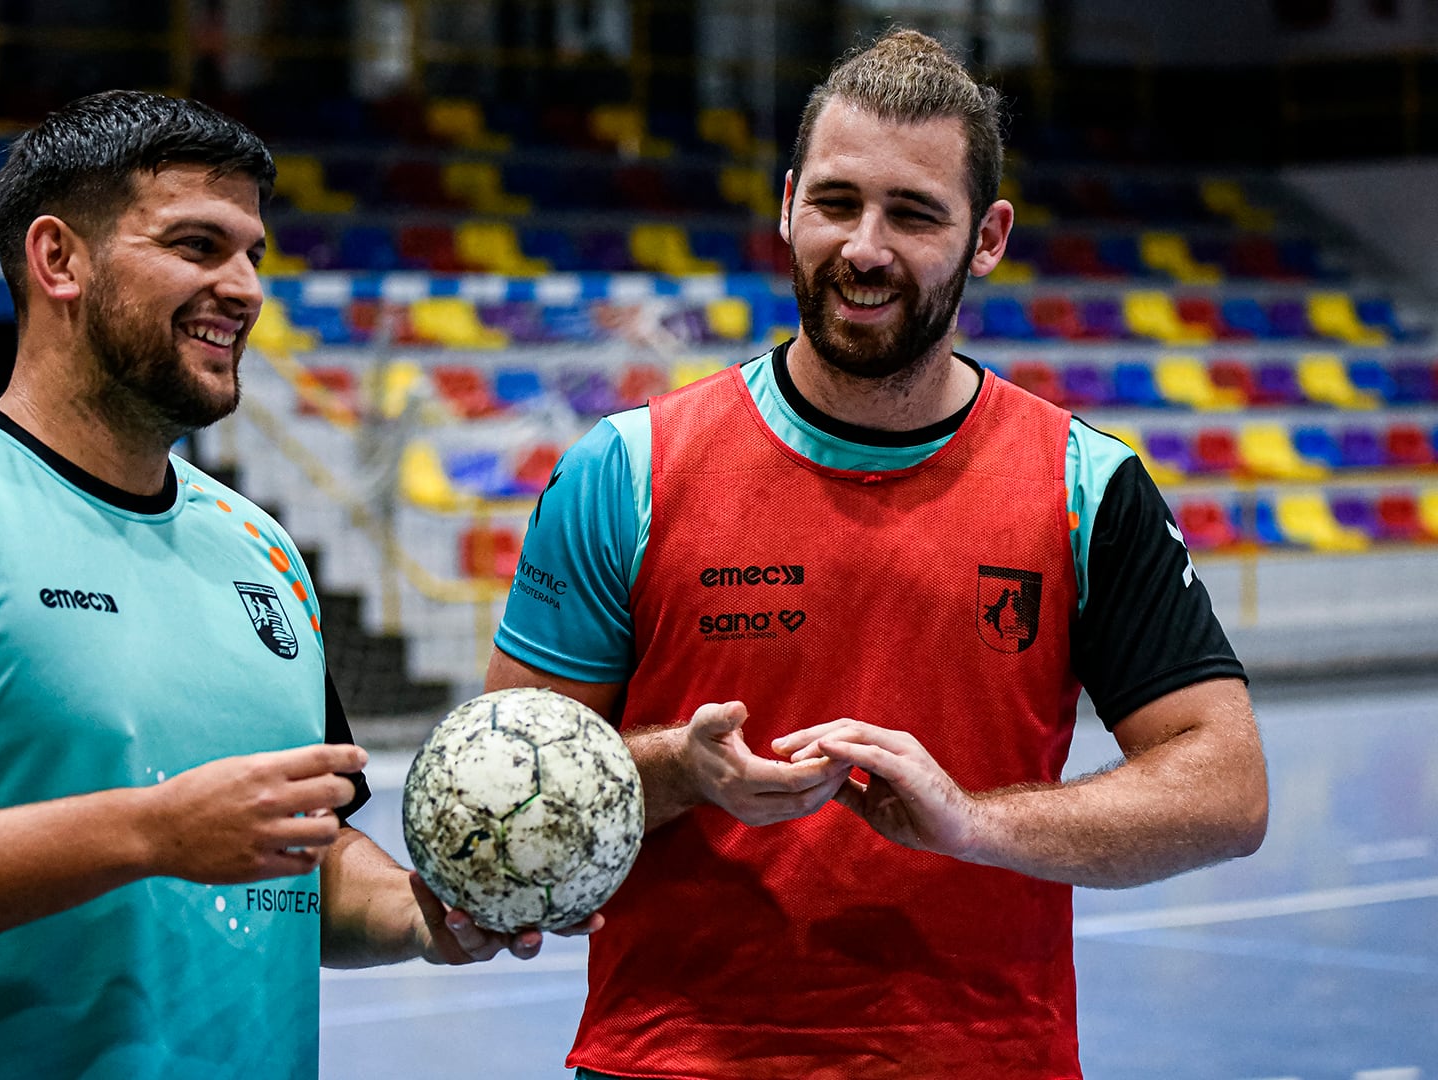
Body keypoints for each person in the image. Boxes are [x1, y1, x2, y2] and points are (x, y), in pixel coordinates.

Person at [0, 90, 590, 1079]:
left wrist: (416, 912)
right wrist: (149, 832)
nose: (244, 287)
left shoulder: (259, 549)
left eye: (253, 254)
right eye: (196, 245)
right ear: (60, 260)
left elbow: (298, 859)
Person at [486, 29, 1269, 1080]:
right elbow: (501, 790)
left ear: (987, 236)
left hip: (987, 1058)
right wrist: (679, 769)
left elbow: (1226, 788)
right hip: (672, 1059)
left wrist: (974, 825)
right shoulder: (626, 469)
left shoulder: (1085, 485)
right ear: (787, 204)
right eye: (837, 203)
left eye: (912, 214)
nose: (864, 247)